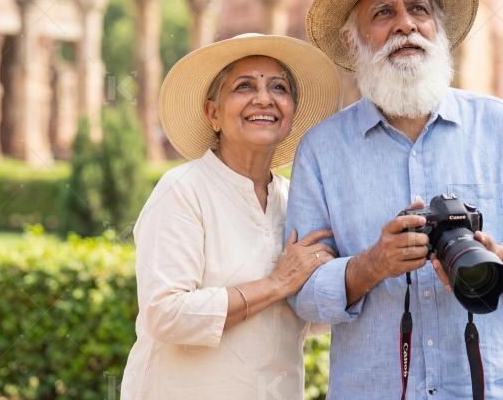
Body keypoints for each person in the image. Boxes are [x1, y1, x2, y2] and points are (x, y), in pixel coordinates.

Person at [286, 0, 503, 399]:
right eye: (382, 13)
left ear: (436, 28)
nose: (405, 24)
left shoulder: (497, 125)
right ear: (351, 40)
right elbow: (300, 289)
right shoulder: (321, 150)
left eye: (418, 9)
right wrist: (370, 265)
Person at [121, 33, 342, 399]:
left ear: (290, 112)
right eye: (244, 86)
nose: (264, 98)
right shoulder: (183, 189)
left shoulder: (295, 201)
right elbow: (166, 314)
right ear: (213, 113)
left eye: (279, 87)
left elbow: (313, 318)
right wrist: (275, 283)